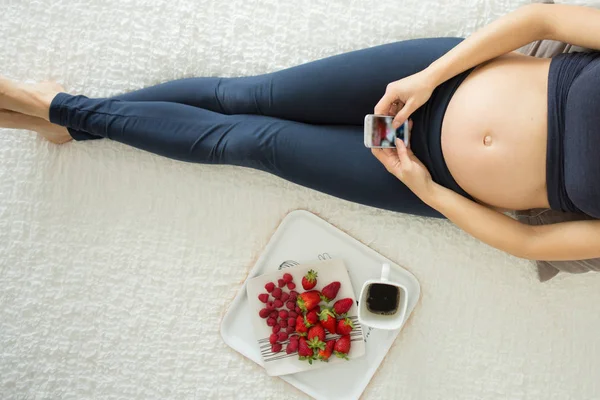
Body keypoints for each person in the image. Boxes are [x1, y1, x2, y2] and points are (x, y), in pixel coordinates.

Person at [1, 4, 599, 261]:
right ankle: (67, 118)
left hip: (427, 180)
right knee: (244, 96)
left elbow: (531, 246)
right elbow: (541, 19)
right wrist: (427, 77)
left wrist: (426, 188)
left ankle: (59, 110)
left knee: (249, 142)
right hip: (444, 80)